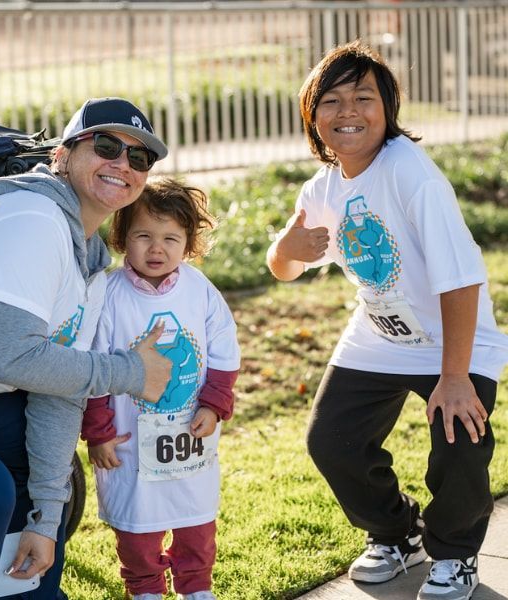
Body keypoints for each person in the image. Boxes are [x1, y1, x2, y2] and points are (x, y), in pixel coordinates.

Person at [266, 41, 508, 600]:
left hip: (455, 337)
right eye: (331, 99)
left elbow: (461, 279)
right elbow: (284, 267)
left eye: (363, 97)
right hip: (380, 335)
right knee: (331, 441)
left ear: (388, 108)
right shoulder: (325, 186)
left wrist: (454, 378)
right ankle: (397, 536)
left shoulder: (410, 174)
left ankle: (455, 555)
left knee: (459, 436)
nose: (347, 110)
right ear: (312, 114)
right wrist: (285, 246)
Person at [0, 97, 173, 600]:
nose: (122, 164)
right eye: (107, 145)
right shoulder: (31, 217)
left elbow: (60, 391)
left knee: (24, 452)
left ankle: (32, 593)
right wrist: (130, 372)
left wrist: (47, 521)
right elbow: (18, 357)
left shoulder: (91, 266)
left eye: (138, 159)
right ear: (62, 155)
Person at [80, 177, 241, 600]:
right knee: (137, 529)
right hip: (129, 441)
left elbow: (225, 353)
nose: (157, 248)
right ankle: (145, 589)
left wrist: (214, 404)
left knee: (196, 522)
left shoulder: (200, 291)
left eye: (171, 238)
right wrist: (98, 434)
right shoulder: (108, 294)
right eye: (143, 236)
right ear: (121, 237)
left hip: (190, 436)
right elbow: (93, 368)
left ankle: (195, 588)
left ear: (188, 243)